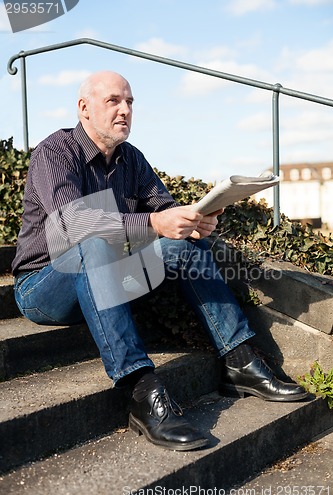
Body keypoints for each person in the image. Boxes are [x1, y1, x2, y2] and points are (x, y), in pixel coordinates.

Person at [12, 70, 307, 452]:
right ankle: (141, 391)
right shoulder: (55, 152)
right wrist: (154, 222)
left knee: (183, 246)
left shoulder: (131, 159)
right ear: (84, 109)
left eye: (130, 102)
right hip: (44, 287)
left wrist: (196, 221)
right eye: (113, 101)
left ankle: (240, 361)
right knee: (93, 242)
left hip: (109, 278)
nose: (125, 111)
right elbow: (72, 224)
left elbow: (165, 212)